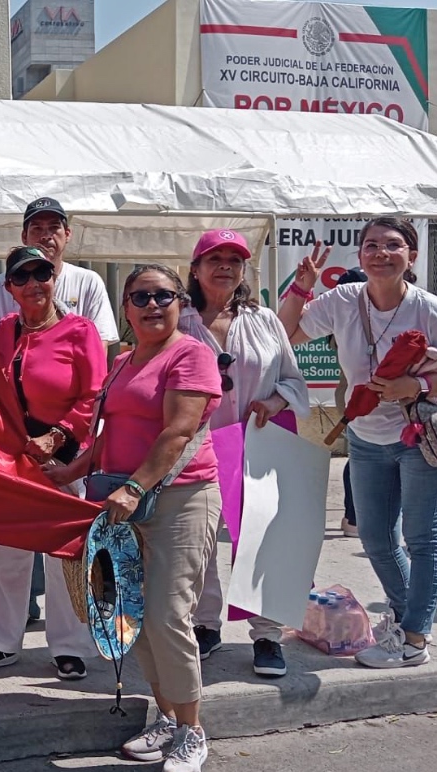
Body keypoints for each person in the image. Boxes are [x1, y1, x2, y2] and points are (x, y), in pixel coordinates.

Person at [277, 217, 437, 670]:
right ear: (360, 255)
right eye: (370, 246)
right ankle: (409, 620)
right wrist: (301, 288)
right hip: (366, 438)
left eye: (392, 246)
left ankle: (411, 638)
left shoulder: (431, 309)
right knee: (374, 535)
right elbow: (286, 337)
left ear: (412, 256)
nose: (379, 253)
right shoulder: (346, 299)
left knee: (422, 537)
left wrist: (419, 387)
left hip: (422, 437)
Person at [47, 264, 222, 772]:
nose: (152, 305)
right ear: (125, 308)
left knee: (169, 616)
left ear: (180, 303)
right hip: (123, 501)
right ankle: (167, 718)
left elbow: (177, 432)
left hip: (177, 498)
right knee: (133, 616)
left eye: (163, 296)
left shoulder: (190, 354)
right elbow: (108, 432)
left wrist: (135, 487)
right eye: (140, 297)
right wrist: (73, 470)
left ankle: (193, 731)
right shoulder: (123, 361)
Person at [0, 197, 119, 677]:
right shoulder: (1, 330)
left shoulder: (80, 332)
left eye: (41, 275)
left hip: (64, 455)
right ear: (8, 287)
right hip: (13, 455)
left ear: (55, 277)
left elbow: (94, 394)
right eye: (21, 278)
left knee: (64, 551)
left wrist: (59, 439)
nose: (33, 284)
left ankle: (69, 645)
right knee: (6, 550)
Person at [178, 230, 310, 678]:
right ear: (194, 269)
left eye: (235, 260)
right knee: (198, 542)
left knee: (266, 538)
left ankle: (268, 636)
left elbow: (293, 379)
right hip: (195, 446)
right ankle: (204, 626)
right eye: (214, 258)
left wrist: (274, 402)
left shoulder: (265, 321)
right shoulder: (177, 320)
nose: (225, 267)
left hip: (260, 441)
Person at [333, 267, 368, 538]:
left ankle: (356, 517)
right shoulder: (346, 318)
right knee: (360, 457)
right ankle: (353, 517)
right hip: (357, 397)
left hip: (368, 397)